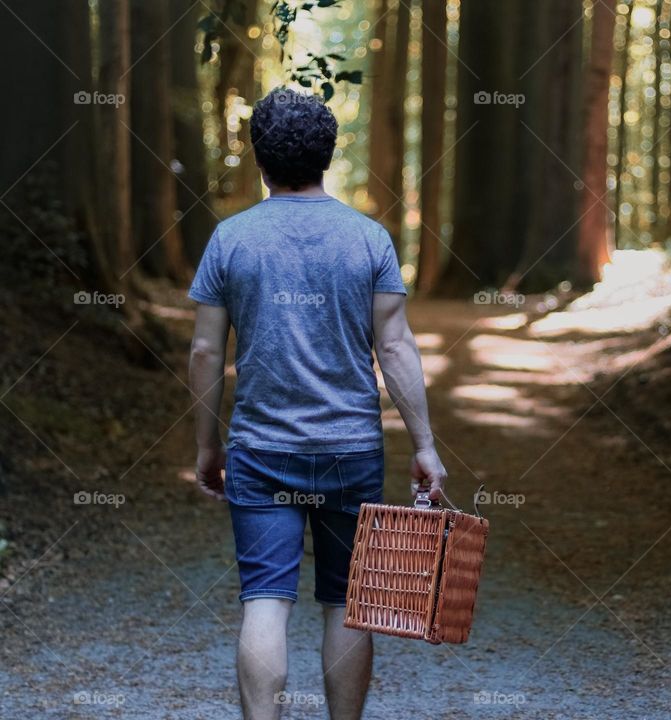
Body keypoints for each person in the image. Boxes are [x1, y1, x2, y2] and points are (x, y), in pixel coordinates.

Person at [187, 87, 447, 720]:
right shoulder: (368, 240)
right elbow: (396, 345)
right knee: (346, 601)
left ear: (261, 160)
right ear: (327, 156)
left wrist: (205, 445)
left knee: (265, 601)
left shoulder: (231, 240)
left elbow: (203, 352)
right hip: (349, 449)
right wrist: (424, 445)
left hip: (260, 447)